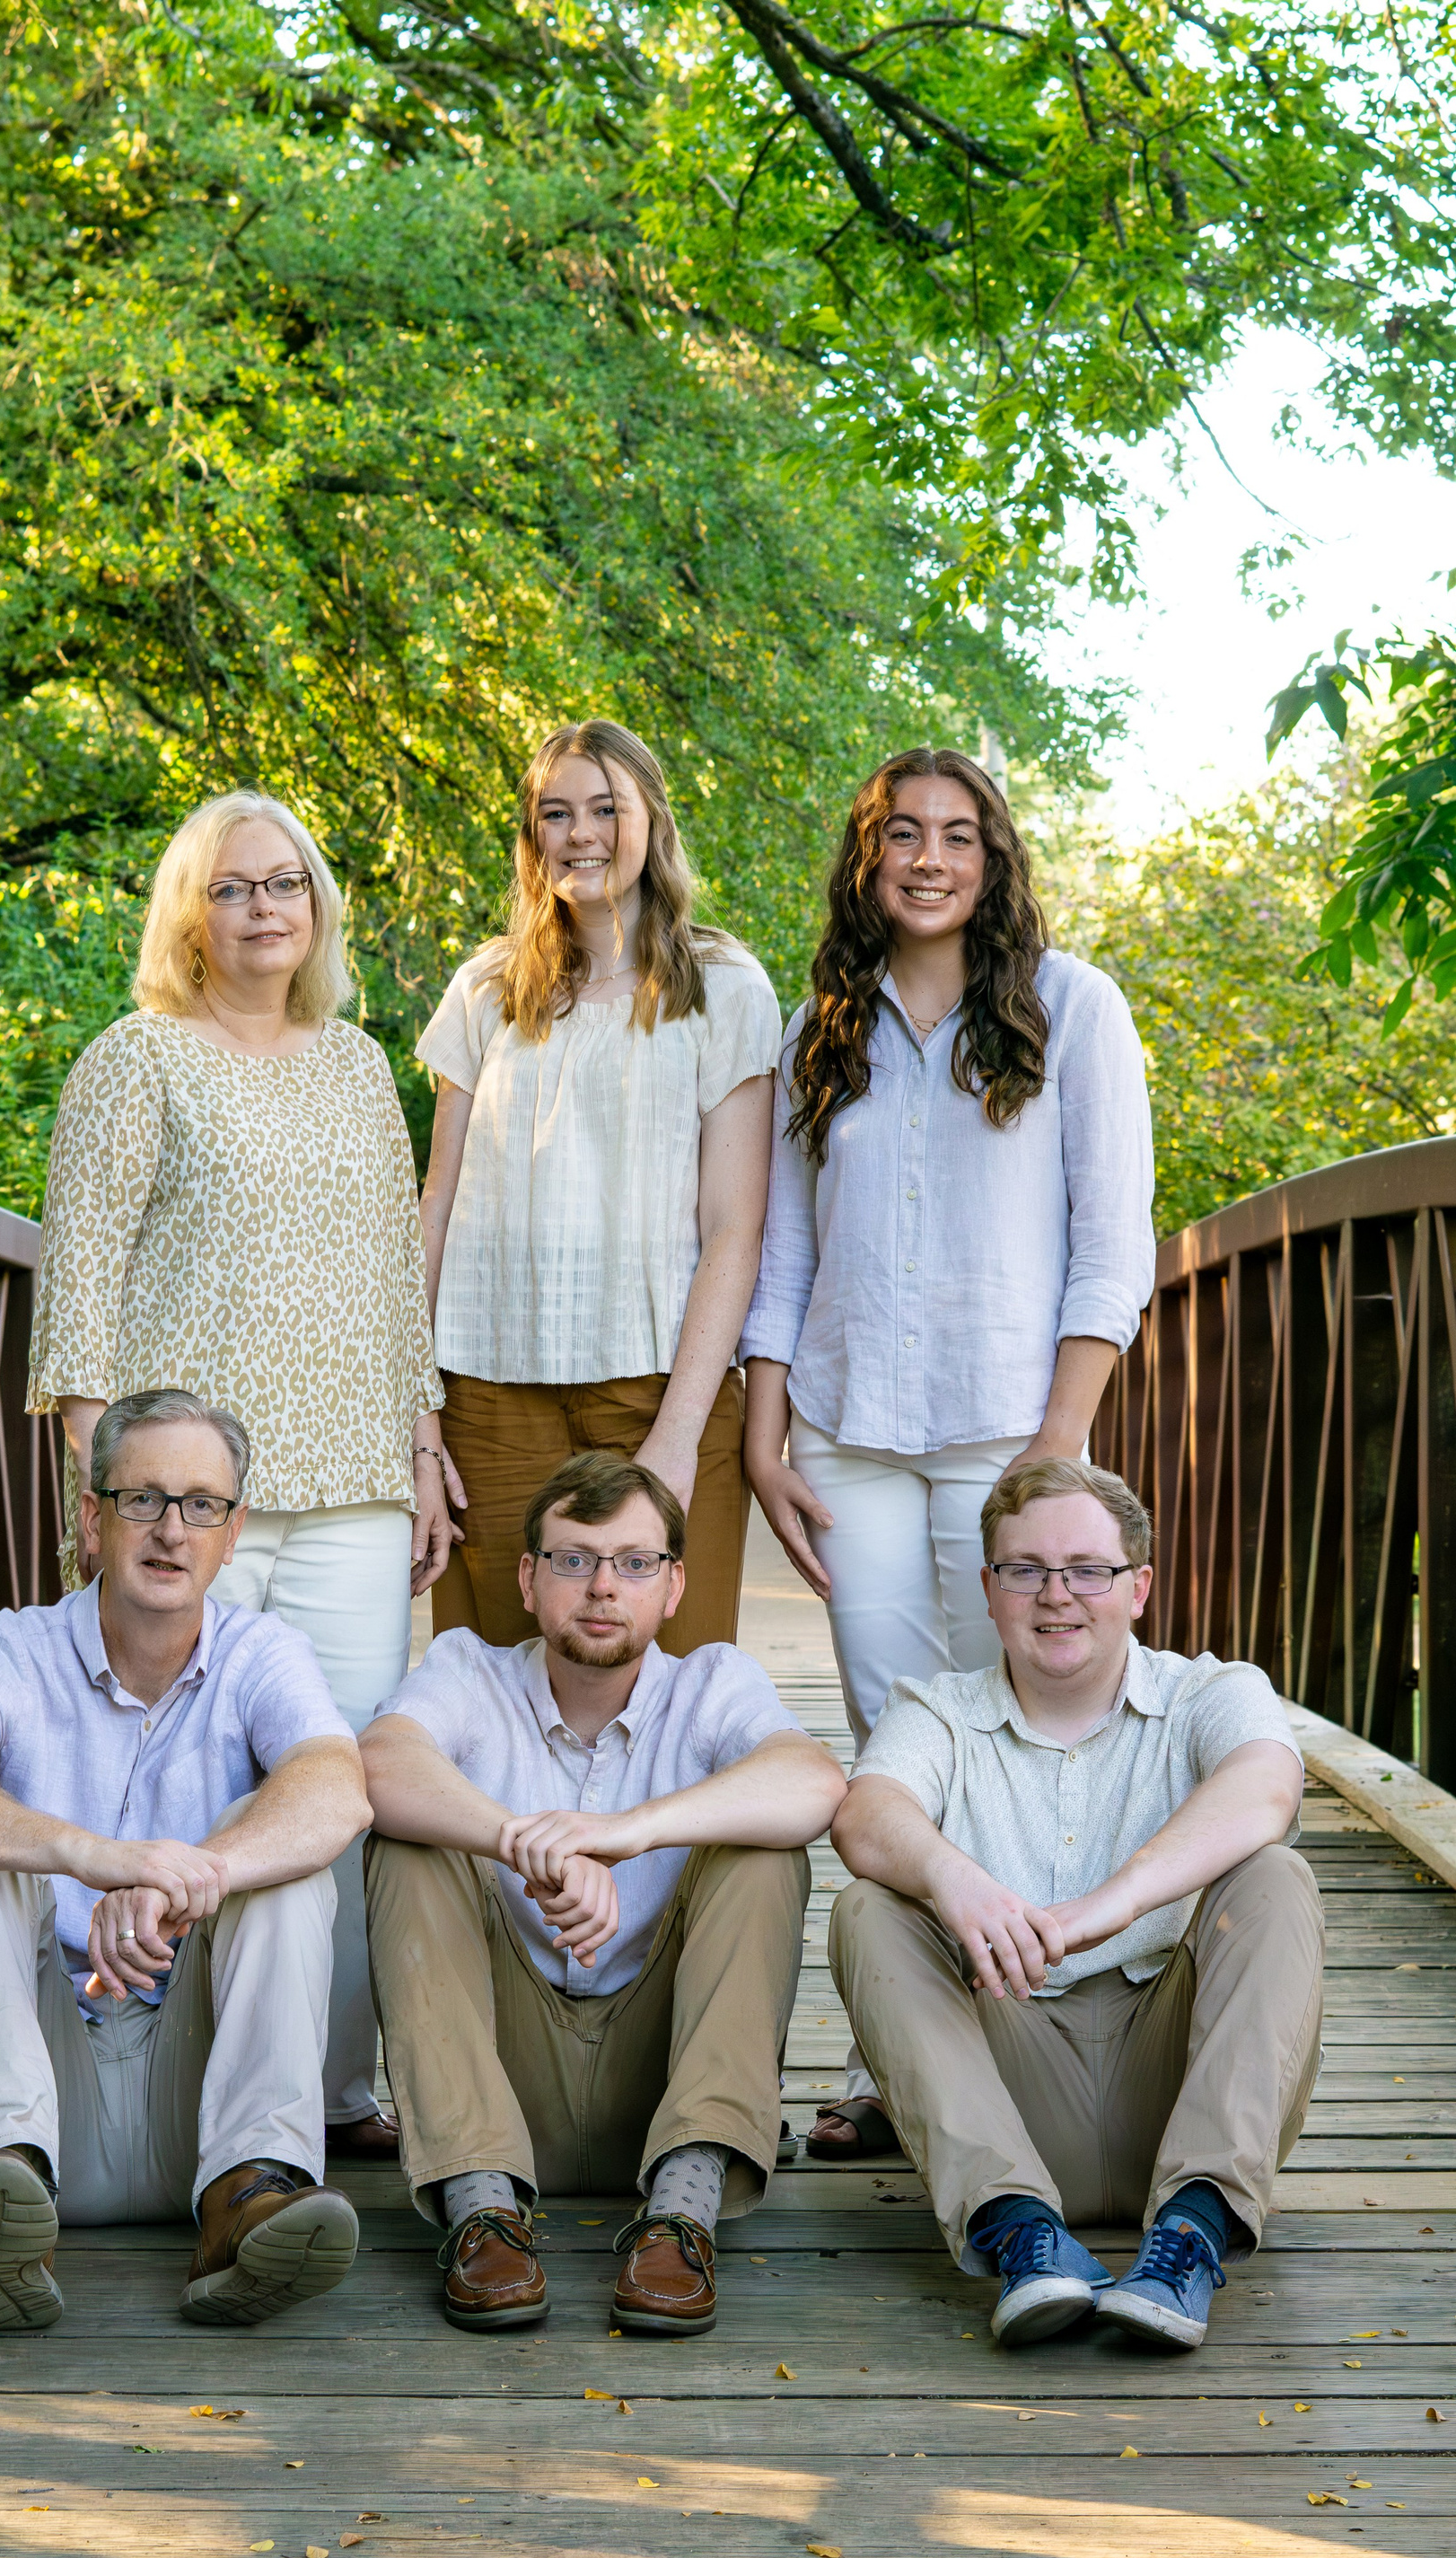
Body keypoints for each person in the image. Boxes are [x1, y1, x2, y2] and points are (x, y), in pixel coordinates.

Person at [740, 745, 1154, 2158]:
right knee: (899, 1745)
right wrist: (763, 1432)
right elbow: (785, 1252)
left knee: (1027, 1736)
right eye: (902, 834)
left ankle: (1036, 2032)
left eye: (959, 835)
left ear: (995, 858)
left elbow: (1112, 1247)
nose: (929, 858)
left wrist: (1058, 1448)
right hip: (847, 1435)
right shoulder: (818, 1029)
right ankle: (897, 2063)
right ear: (867, 860)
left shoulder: (1073, 1008)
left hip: (1008, 1437)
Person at [27, 787, 449, 2162]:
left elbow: (393, 1275)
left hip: (353, 1487)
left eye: (286, 883)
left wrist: (422, 1438)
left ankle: (324, 2092)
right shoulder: (136, 1059)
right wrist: (103, 1481)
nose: (264, 908)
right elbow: (79, 1278)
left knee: (336, 1785)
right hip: (188, 1497)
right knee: (170, 1775)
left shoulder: (357, 1066)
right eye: (232, 887)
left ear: (318, 905)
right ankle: (141, 2073)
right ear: (189, 915)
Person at [0, 1390, 373, 2332]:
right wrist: (97, 1858)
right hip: (38, 2096)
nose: (172, 1529)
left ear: (233, 1533)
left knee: (277, 1847)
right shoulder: (9, 1648)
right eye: (143, 1499)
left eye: (201, 1504)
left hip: (202, 2105)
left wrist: (185, 1879)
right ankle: (3, 2188)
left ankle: (249, 2196)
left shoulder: (265, 1653)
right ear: (92, 1519)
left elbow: (337, 1788)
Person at [827, 1456, 1321, 2352]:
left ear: (1139, 1587)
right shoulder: (935, 1708)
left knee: (1277, 1876)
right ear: (989, 1589)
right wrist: (952, 1875)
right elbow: (866, 1814)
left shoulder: (1211, 1691)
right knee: (868, 1906)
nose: (1057, 1595)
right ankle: (1021, 2229)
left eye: (1088, 1569)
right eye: (1026, 1570)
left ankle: (1195, 2225)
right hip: (1007, 2088)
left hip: (1176, 2087)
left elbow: (1268, 1788)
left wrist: (1114, 1902)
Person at [358, 1450, 846, 2334]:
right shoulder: (469, 1668)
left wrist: (621, 1833)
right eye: (574, 1558)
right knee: (410, 1844)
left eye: (634, 1561)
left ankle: (682, 2213)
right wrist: (528, 1842)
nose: (603, 1586)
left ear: (673, 1584)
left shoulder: (712, 1682)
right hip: (499, 2088)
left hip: (663, 2092)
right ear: (529, 1577)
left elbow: (813, 1781)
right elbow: (381, 1763)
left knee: (763, 1855)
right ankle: (481, 2210)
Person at [416, 719, 781, 1654]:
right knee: (497, 1683)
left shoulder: (725, 987)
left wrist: (676, 1437)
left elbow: (735, 1228)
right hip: (488, 1395)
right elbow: (437, 1204)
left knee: (678, 1685)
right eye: (556, 813)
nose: (581, 833)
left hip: (660, 1390)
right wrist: (416, 1419)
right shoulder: (485, 989)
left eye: (606, 808)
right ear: (532, 836)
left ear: (652, 819)